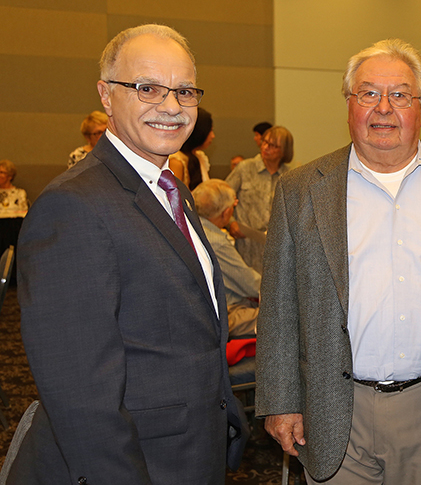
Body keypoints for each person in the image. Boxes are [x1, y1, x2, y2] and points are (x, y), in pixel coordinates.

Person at [256, 38, 421, 484]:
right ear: (349, 104)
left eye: (400, 95)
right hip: (331, 410)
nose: (383, 108)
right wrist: (280, 399)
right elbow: (278, 306)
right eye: (368, 93)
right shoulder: (300, 191)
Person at [8, 24, 246, 484]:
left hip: (188, 450)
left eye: (184, 91)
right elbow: (81, 391)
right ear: (106, 94)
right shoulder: (74, 205)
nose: (171, 106)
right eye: (147, 88)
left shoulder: (170, 187)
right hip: (134, 464)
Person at [193, 179, 261, 338]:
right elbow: (249, 283)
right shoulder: (216, 241)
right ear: (226, 212)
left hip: (208, 309)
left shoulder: (194, 227)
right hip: (225, 312)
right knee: (287, 316)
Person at [225, 125, 293, 273]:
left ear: (284, 151)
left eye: (272, 145)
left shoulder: (289, 176)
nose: (265, 147)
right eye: (264, 142)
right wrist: (231, 223)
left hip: (275, 251)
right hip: (244, 246)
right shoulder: (245, 168)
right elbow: (223, 198)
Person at [169, 106, 214, 190]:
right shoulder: (176, 161)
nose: (213, 136)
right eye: (210, 131)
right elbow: (175, 197)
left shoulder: (199, 156)